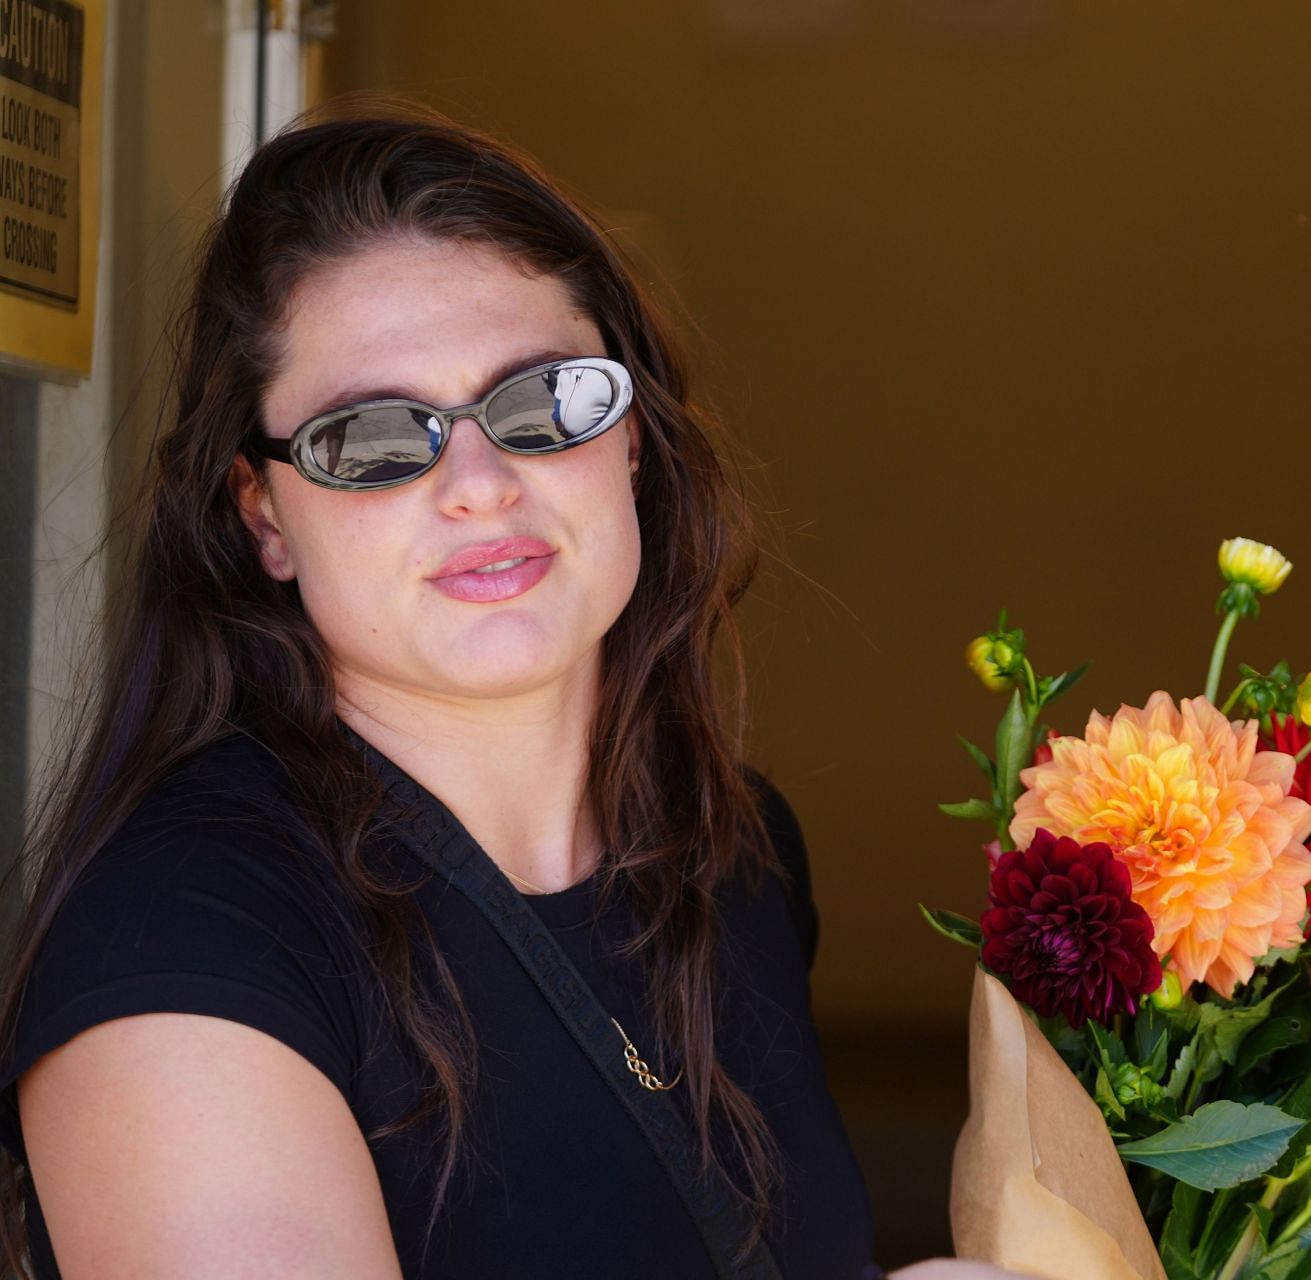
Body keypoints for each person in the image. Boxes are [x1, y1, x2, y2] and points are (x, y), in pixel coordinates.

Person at [0, 99, 1025, 1280]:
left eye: (545, 401)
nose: (479, 484)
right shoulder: (180, 943)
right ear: (263, 512)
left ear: (630, 439)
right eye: (374, 439)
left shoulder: (729, 852)